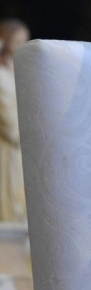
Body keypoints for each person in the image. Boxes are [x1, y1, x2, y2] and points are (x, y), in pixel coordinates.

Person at [0, 18, 29, 222]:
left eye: (24, 41)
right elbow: (6, 112)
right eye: (17, 40)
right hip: (7, 146)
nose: (20, 45)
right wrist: (21, 135)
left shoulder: (20, 73)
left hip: (21, 146)